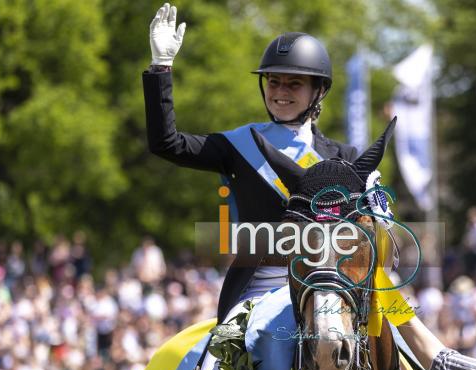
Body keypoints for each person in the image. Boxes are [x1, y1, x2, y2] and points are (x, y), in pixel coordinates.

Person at [143, 2, 357, 321]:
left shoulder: (344, 159)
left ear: (319, 90)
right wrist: (162, 67)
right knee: (216, 369)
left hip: (327, 289)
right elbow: (167, 144)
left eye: (294, 83)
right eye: (273, 82)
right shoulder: (238, 145)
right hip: (256, 295)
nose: (280, 92)